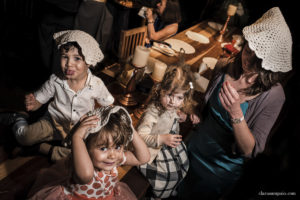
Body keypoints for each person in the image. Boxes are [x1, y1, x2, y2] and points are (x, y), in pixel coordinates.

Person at [177, 7, 293, 199]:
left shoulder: (274, 95)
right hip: (193, 150)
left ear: (269, 65)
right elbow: (205, 109)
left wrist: (236, 114)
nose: (248, 61)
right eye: (248, 51)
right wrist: (197, 113)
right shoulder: (224, 65)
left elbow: (249, 150)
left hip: (218, 171)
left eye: (258, 61)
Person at [0, 30, 114, 161]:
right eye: (65, 56)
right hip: (53, 123)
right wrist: (33, 104)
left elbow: (108, 105)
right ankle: (17, 118)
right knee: (24, 137)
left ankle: (44, 149)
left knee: (85, 157)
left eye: (77, 58)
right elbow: (39, 101)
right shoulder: (55, 81)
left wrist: (106, 121)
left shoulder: (96, 84)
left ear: (88, 62)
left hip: (79, 129)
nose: (69, 63)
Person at [27, 105, 150, 199]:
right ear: (85, 147)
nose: (112, 155)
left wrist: (130, 128)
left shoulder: (114, 158)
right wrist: (77, 137)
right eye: (103, 148)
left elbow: (143, 158)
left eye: (117, 147)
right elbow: (86, 175)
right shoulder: (85, 166)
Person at [136, 64, 200, 199]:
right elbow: (140, 136)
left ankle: (171, 188)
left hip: (165, 144)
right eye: (169, 95)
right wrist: (161, 139)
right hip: (150, 150)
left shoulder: (173, 107)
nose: (172, 102)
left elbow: (174, 112)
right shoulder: (153, 111)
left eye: (179, 98)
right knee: (166, 176)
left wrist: (184, 115)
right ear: (161, 90)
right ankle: (158, 195)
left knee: (184, 164)